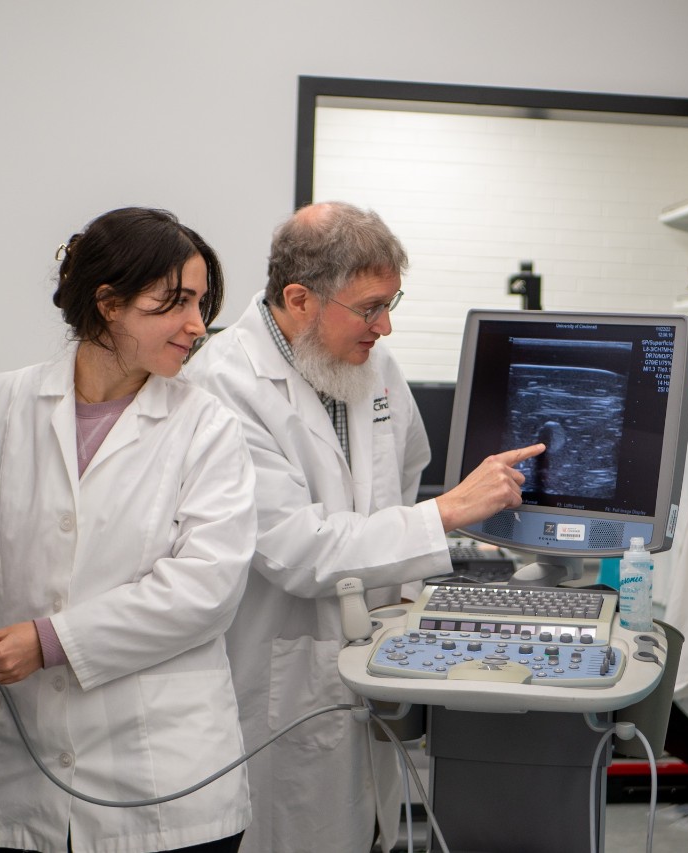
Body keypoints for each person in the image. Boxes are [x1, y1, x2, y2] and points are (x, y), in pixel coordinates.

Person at [0, 207, 257, 853]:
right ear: (108, 303)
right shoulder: (1, 403)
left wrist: (48, 640)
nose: (197, 325)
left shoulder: (208, 426)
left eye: (202, 303)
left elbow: (204, 590)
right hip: (26, 778)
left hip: (165, 783)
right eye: (173, 302)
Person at [182, 201, 542, 853]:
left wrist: (404, 599)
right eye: (370, 306)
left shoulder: (369, 362)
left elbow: (406, 463)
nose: (387, 325)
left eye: (392, 300)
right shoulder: (222, 386)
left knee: (367, 828)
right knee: (294, 829)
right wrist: (446, 513)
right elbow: (297, 549)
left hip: (370, 659)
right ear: (299, 298)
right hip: (279, 678)